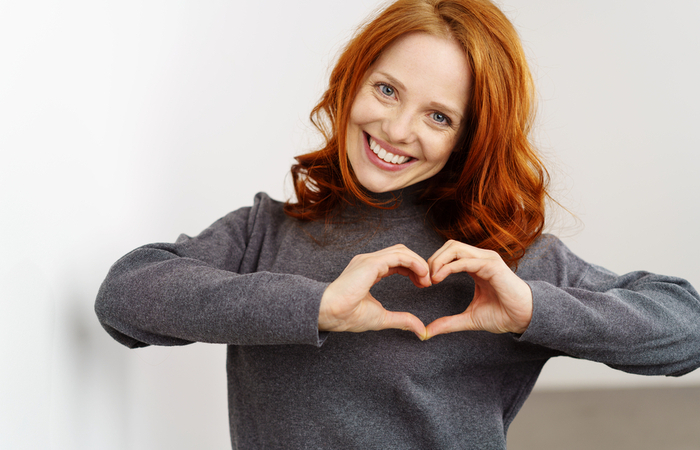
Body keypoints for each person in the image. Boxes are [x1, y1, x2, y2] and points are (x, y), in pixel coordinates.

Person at [95, 0, 700, 448]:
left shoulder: (503, 260)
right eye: (387, 89)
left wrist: (534, 310)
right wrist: (314, 307)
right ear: (351, 80)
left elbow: (686, 327)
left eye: (438, 116)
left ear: (470, 138)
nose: (397, 128)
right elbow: (125, 297)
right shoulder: (265, 231)